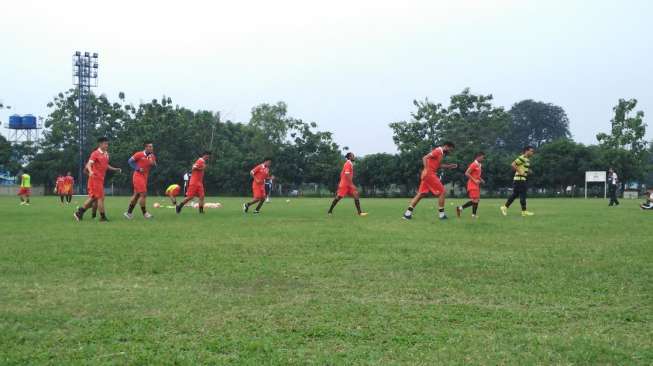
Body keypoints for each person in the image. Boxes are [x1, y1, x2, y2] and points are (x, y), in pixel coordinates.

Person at [403, 142, 458, 220]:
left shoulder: (441, 154)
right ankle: (442, 215)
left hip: (428, 175)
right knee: (442, 192)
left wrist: (449, 166)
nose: (450, 152)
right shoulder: (438, 151)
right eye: (450, 150)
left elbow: (438, 166)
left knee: (421, 194)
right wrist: (426, 169)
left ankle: (407, 214)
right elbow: (424, 157)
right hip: (429, 174)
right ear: (446, 146)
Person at [73, 137, 122, 222]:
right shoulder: (95, 153)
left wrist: (115, 169)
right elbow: (88, 165)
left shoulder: (106, 154)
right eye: (105, 144)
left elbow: (106, 165)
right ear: (100, 144)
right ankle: (102, 217)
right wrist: (91, 171)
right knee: (100, 198)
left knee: (94, 198)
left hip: (100, 179)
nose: (107, 145)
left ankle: (80, 212)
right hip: (95, 179)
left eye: (107, 144)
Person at [124, 142, 157, 219]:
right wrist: (137, 168)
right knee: (144, 194)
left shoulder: (152, 155)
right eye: (150, 147)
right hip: (138, 176)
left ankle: (128, 213)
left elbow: (154, 165)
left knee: (136, 195)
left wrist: (153, 162)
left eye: (152, 147)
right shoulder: (139, 154)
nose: (152, 148)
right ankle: (145, 213)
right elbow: (130, 161)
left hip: (145, 177)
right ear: (146, 147)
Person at [328, 152, 367, 216]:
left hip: (348, 184)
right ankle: (329, 211)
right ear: (349, 157)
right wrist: (350, 183)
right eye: (353, 156)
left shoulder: (350, 163)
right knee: (338, 197)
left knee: (356, 195)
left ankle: (360, 213)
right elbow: (347, 174)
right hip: (345, 184)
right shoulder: (348, 164)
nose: (354, 157)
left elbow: (343, 174)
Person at [501, 146, 536, 217]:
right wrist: (520, 171)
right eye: (531, 151)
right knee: (523, 195)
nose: (532, 153)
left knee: (515, 195)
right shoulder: (522, 158)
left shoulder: (527, 159)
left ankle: (504, 207)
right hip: (519, 180)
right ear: (527, 151)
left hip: (520, 180)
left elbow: (522, 167)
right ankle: (524, 211)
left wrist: (528, 171)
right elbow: (513, 164)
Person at [456, 152, 485, 218]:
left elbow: (476, 175)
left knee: (476, 200)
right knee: (475, 200)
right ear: (478, 156)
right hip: (472, 184)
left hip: (476, 185)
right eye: (482, 157)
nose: (483, 159)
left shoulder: (479, 165)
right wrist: (474, 180)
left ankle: (468, 212)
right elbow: (467, 173)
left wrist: (481, 179)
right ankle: (462, 209)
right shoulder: (474, 164)